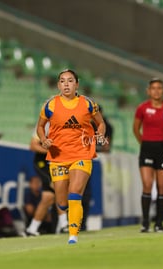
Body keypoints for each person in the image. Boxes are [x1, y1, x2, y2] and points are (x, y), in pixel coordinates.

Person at [36, 69, 106, 244]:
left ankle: (73, 235)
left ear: (77, 84)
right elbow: (40, 127)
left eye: (70, 81)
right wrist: (44, 140)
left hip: (82, 153)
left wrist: (100, 135)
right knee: (61, 201)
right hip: (58, 156)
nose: (66, 84)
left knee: (75, 192)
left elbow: (101, 123)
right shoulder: (50, 105)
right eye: (62, 81)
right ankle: (65, 210)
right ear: (58, 84)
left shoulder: (88, 104)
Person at [133, 78, 163, 233]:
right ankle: (145, 222)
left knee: (162, 187)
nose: (156, 91)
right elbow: (136, 128)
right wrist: (145, 143)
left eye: (159, 88)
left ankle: (159, 223)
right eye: (153, 88)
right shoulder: (142, 108)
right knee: (147, 184)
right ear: (148, 91)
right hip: (147, 148)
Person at [25, 125, 68, 236]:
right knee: (58, 186)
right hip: (43, 163)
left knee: (48, 198)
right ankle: (64, 225)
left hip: (56, 162)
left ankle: (32, 228)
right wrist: (50, 151)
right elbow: (33, 146)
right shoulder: (45, 125)